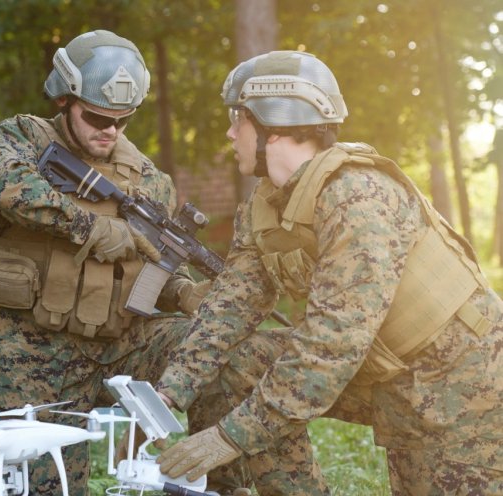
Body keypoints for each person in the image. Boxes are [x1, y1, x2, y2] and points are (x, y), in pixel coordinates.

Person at [155, 50, 503, 495]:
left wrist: (230, 437)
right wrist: (166, 396)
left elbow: (331, 343)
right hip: (389, 374)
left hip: (464, 390)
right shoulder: (266, 205)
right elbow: (228, 308)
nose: (230, 132)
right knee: (246, 360)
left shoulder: (358, 198)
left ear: (272, 123)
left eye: (237, 118)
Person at [0, 30, 218, 495]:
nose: (110, 130)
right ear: (64, 99)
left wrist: (184, 292)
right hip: (32, 354)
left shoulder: (149, 180)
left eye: (124, 121)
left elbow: (152, 269)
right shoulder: (21, 136)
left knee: (219, 351)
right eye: (98, 116)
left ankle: (216, 479)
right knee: (51, 489)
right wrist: (92, 227)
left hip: (117, 347)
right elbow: (0, 186)